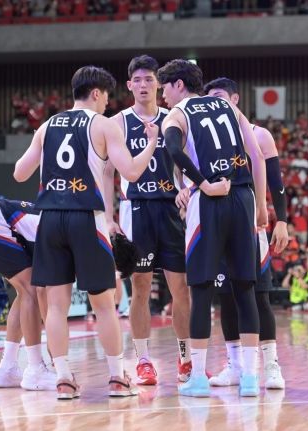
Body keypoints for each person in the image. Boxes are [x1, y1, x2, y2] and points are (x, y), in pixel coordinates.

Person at [14, 65, 158, 400]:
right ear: (96, 93)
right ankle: (117, 378)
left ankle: (63, 378)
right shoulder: (103, 124)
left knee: (56, 307)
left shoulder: (47, 125)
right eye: (107, 96)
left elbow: (20, 173)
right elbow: (133, 173)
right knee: (104, 304)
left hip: (49, 219)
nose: (108, 103)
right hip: (86, 218)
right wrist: (151, 143)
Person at [158, 59, 268, 397]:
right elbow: (257, 155)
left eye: (165, 87)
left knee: (202, 290)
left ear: (178, 85)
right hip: (243, 197)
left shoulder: (177, 115)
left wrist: (202, 183)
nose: (162, 95)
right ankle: (249, 378)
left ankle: (199, 379)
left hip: (210, 202)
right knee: (245, 288)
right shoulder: (228, 107)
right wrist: (261, 206)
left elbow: (174, 150)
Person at [102, 55, 192, 385]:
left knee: (180, 290)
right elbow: (107, 171)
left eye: (149, 79)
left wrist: (188, 189)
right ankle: (142, 360)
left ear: (159, 83)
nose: (143, 85)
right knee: (139, 288)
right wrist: (109, 217)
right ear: (129, 85)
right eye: (137, 80)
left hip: (171, 209)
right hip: (135, 209)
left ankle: (186, 358)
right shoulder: (119, 122)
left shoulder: (175, 118)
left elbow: (188, 164)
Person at [195, 77, 289, 390]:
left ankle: (271, 365)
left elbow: (275, 180)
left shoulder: (259, 135)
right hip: (216, 221)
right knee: (225, 297)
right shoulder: (204, 135)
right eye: (210, 98)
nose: (214, 102)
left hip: (251, 223)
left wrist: (282, 220)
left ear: (235, 99)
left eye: (220, 96)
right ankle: (235, 365)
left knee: (258, 295)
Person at [0, 199, 54, 391]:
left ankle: (7, 368)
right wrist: (55, 346)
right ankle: (35, 369)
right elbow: (43, 292)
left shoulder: (54, 223)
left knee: (24, 292)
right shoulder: (57, 231)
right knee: (31, 288)